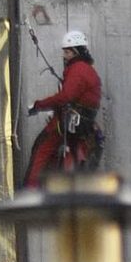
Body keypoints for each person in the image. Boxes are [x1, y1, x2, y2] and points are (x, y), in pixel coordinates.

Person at [23, 27, 103, 186]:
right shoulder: (88, 70)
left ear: (76, 52)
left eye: (67, 52)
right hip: (83, 125)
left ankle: (30, 193)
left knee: (41, 149)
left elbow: (65, 96)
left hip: (68, 123)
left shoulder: (78, 70)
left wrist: (38, 105)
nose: (64, 56)